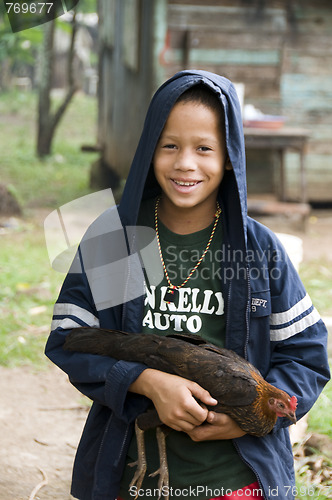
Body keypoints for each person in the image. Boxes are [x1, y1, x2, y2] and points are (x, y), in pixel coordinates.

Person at [45, 70, 330, 500]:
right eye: (170, 146)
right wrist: (144, 381)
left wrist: (253, 417)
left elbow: (305, 356)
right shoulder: (120, 239)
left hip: (239, 481)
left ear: (230, 157)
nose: (185, 163)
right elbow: (72, 341)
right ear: (149, 150)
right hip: (133, 480)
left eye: (204, 149)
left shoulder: (258, 250)